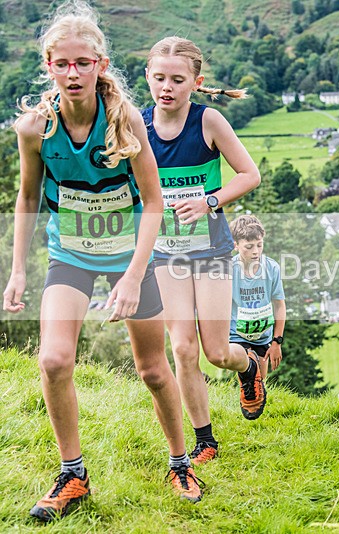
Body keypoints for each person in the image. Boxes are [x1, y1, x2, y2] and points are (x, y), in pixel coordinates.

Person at [1, 1, 202, 521]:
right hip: (70, 256)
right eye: (62, 64)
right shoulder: (33, 129)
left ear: (100, 65)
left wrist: (134, 276)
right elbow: (27, 199)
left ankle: (181, 462)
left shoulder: (125, 120)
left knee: (153, 370)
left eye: (83, 63)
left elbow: (153, 202)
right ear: (48, 65)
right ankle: (73, 476)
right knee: (52, 360)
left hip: (129, 256)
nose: (73, 73)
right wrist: (19, 269)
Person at [142, 37, 262, 466]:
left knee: (215, 352)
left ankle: (247, 366)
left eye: (177, 79)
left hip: (210, 250)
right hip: (165, 253)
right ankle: (204, 440)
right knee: (183, 350)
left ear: (196, 82)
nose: (167, 87)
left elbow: (250, 175)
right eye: (159, 78)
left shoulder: (208, 121)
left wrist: (210, 201)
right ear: (148, 78)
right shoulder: (137, 126)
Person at [227, 215, 285, 381]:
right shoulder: (229, 270)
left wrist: (276, 341)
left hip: (262, 335)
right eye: (249, 246)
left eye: (259, 245)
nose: (255, 251)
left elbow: (279, 305)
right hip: (236, 335)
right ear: (236, 245)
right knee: (247, 378)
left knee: (260, 380)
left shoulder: (272, 268)